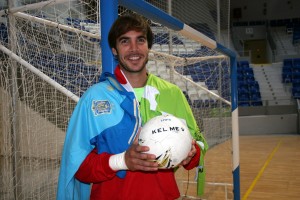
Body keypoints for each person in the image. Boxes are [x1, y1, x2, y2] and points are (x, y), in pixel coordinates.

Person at [57, 13, 208, 200]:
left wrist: (191, 153)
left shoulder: (173, 93)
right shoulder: (94, 98)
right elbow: (77, 167)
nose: (134, 49)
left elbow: (196, 147)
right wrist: (122, 161)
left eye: (140, 40)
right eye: (125, 41)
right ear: (114, 49)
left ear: (149, 46)